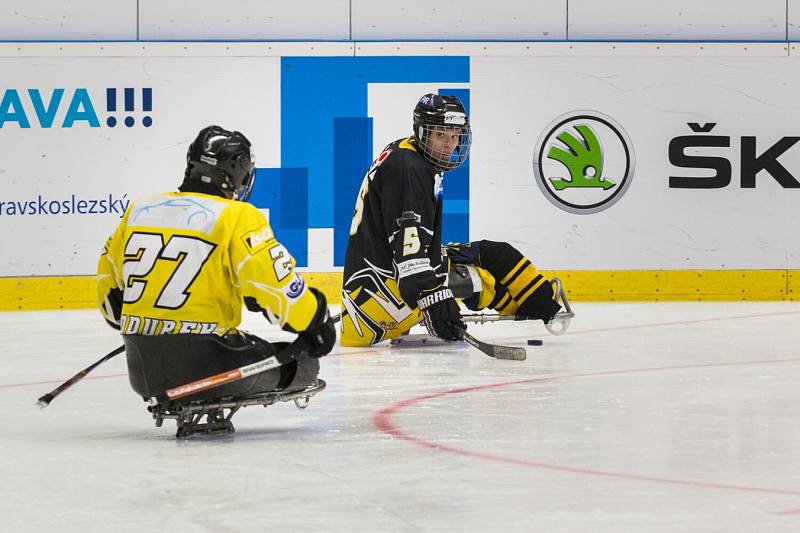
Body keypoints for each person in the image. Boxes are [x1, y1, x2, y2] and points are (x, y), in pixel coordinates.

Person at [96, 125, 336, 410]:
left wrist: (155, 330)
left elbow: (108, 301)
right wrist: (316, 321)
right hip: (211, 368)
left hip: (142, 370)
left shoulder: (137, 211)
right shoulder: (237, 217)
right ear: (237, 171)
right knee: (302, 365)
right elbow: (280, 291)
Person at [340, 94, 568, 347]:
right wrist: (433, 300)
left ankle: (541, 302)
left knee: (495, 253)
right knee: (475, 277)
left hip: (370, 283)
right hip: (379, 299)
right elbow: (410, 258)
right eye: (440, 135)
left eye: (454, 135)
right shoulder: (410, 170)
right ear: (421, 132)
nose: (448, 145)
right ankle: (534, 306)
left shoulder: (405, 151)